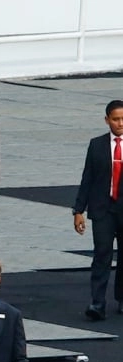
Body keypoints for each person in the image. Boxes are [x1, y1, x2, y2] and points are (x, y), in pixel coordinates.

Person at [72, 100, 123, 320]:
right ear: (107, 120)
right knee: (101, 253)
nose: (120, 123)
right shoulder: (96, 145)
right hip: (103, 208)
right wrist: (78, 210)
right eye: (116, 119)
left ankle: (121, 297)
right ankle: (97, 302)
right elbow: (87, 178)